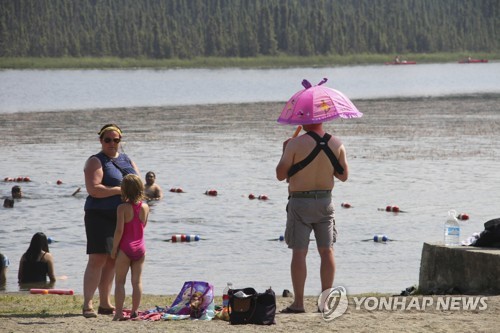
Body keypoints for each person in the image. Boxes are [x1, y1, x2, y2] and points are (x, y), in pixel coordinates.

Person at [276, 122, 349, 313]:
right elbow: (343, 176)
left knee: (299, 252)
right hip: (325, 202)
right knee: (327, 251)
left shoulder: (294, 144)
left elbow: (280, 174)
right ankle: (324, 303)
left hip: (300, 202)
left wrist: (285, 150)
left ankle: (299, 303)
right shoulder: (337, 143)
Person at [82, 124, 141, 318]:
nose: (112, 143)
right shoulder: (95, 161)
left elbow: (138, 186)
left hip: (123, 216)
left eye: (116, 140)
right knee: (97, 258)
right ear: (101, 140)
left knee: (113, 259)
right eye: (107, 139)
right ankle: (88, 303)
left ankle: (105, 303)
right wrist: (119, 190)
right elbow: (94, 189)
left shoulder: (127, 160)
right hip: (98, 215)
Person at [111, 174, 149, 321]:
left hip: (125, 248)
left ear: (124, 190)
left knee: (120, 281)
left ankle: (119, 313)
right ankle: (134, 311)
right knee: (137, 281)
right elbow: (143, 225)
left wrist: (114, 248)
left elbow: (119, 231)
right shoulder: (145, 207)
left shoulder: (122, 208)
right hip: (140, 248)